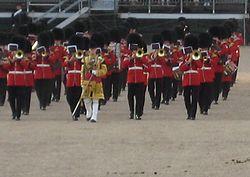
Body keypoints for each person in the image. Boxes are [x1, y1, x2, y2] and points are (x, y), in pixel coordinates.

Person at [122, 33, 149, 120]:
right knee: (130, 96)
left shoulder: (141, 54)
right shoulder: (127, 54)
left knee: (139, 97)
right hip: (131, 78)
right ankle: (131, 112)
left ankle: (138, 113)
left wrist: (139, 57)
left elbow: (147, 66)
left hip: (140, 78)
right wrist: (131, 57)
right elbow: (123, 65)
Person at [82, 33, 107, 123]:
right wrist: (82, 82)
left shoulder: (101, 59)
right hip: (87, 82)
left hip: (96, 82)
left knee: (96, 100)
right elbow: (83, 71)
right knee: (86, 100)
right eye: (91, 49)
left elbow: (104, 71)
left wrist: (97, 72)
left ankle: (94, 116)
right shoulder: (85, 59)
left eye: (94, 49)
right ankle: (89, 111)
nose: (92, 51)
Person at [4, 35, 31, 120]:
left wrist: (20, 59)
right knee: (11, 98)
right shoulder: (8, 57)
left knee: (19, 98)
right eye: (12, 51)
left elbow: (26, 66)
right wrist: (12, 61)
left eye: (15, 51)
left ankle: (18, 114)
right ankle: (14, 112)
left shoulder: (22, 57)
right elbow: (5, 67)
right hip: (11, 81)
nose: (13, 52)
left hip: (20, 81)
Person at [64, 35, 89, 121]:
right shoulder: (68, 55)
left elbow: (86, 65)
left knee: (78, 96)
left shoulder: (83, 55)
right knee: (69, 97)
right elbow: (64, 64)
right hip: (70, 80)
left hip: (80, 78)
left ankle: (76, 113)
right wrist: (70, 60)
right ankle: (73, 111)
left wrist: (80, 59)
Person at [179, 34, 202, 120]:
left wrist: (195, 59)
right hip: (186, 79)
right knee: (186, 97)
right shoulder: (184, 56)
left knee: (195, 98)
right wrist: (188, 62)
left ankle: (193, 114)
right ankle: (189, 112)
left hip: (195, 79)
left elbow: (200, 65)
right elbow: (181, 68)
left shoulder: (197, 54)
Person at [197, 33, 214, 115]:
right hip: (200, 75)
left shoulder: (211, 53)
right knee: (200, 93)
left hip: (208, 75)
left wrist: (209, 59)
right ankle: (201, 106)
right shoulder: (197, 53)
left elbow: (215, 62)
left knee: (208, 93)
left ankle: (206, 108)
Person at [148, 34, 164, 110]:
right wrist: (153, 55)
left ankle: (157, 104)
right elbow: (148, 62)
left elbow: (163, 62)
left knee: (158, 89)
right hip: (151, 73)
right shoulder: (150, 54)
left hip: (159, 73)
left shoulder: (161, 54)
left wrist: (158, 55)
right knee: (150, 89)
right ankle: (153, 101)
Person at [0, 32, 9, 106]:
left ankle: (2, 101)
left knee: (3, 88)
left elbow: (8, 63)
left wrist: (3, 65)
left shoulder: (6, 52)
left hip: (3, 73)